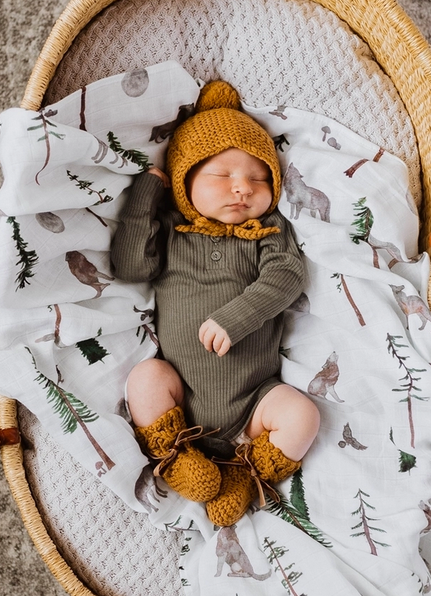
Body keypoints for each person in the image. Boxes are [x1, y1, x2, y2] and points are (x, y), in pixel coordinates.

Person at [111, 81, 320, 527]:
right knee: (146, 378)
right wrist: (147, 194)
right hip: (180, 396)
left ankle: (246, 473)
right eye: (222, 176)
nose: (242, 188)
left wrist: (236, 317)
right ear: (185, 183)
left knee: (302, 415)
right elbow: (130, 267)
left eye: (259, 177)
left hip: (255, 404)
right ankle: (177, 456)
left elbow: (286, 276)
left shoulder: (268, 231)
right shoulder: (173, 229)